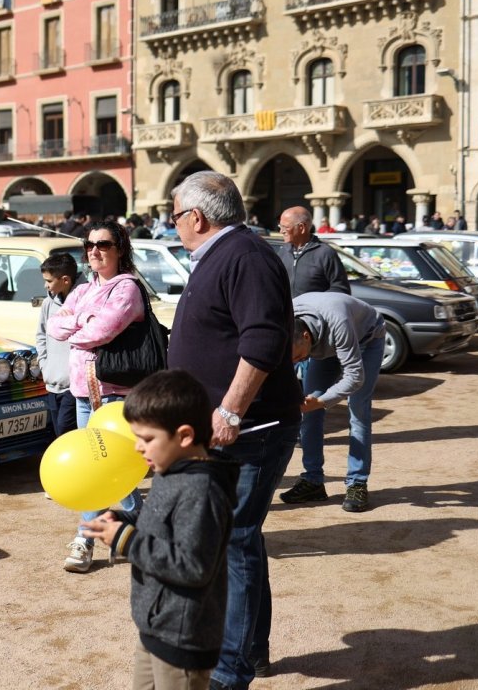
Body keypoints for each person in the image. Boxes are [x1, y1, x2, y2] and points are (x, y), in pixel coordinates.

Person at [165, 171, 301, 689]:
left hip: (251, 430)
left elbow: (265, 340)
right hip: (234, 429)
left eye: (175, 216)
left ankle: (232, 672)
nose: (173, 225)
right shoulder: (227, 254)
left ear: (196, 216)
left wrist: (230, 411)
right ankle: (251, 653)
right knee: (239, 541)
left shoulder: (243, 255)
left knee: (232, 543)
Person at [81, 370, 239, 690]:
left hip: (182, 637)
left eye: (147, 438)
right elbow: (162, 529)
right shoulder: (170, 468)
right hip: (155, 626)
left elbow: (193, 565)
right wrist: (125, 522)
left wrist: (126, 540)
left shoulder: (200, 489)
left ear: (184, 436)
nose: (138, 448)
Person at [47, 218, 147, 573]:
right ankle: (138, 529)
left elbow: (101, 331)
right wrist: (83, 322)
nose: (95, 251)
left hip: (116, 393)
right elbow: (54, 326)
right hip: (83, 393)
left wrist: (80, 323)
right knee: (100, 469)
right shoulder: (83, 289)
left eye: (103, 245)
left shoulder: (127, 288)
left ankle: (85, 539)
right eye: (89, 245)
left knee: (108, 468)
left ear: (120, 249)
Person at [280, 292, 386, 514]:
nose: (297, 363)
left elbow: (355, 376)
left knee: (358, 411)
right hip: (325, 346)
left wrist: (322, 400)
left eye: (298, 357)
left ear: (306, 337)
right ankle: (313, 481)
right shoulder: (283, 321)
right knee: (308, 412)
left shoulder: (338, 321)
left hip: (366, 338)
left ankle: (357, 483)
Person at [36, 252, 85, 439]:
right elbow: (41, 336)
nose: (45, 285)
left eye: (49, 281)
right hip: (52, 383)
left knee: (67, 433)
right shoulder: (49, 302)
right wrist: (44, 366)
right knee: (58, 433)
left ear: (65, 280)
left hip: (74, 386)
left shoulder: (86, 299)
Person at [276, 206, 350, 297]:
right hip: (288, 311)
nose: (281, 231)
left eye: (285, 227)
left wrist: (314, 303)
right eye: (280, 226)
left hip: (313, 310)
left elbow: (341, 289)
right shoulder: (283, 252)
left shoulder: (325, 253)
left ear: (301, 227)